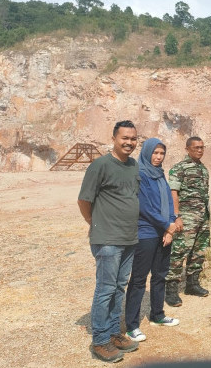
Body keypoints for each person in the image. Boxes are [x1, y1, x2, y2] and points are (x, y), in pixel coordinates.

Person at [77, 120, 141, 362]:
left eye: (133, 138)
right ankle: (100, 340)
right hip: (107, 239)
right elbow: (84, 200)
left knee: (119, 287)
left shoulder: (133, 165)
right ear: (114, 139)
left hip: (128, 237)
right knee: (105, 289)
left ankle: (114, 333)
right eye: (125, 138)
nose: (129, 142)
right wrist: (93, 223)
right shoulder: (100, 165)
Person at [125, 138, 180, 343]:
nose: (158, 157)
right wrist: (167, 225)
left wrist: (170, 225)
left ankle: (157, 315)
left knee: (160, 275)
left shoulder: (159, 174)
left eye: (161, 153)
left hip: (164, 231)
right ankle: (132, 326)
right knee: (139, 280)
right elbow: (145, 207)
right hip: (146, 233)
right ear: (147, 153)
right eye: (155, 153)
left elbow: (168, 202)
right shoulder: (140, 174)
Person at [165, 136, 211, 306]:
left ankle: (192, 284)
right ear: (187, 149)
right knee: (179, 252)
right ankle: (171, 290)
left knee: (199, 251)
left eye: (202, 147)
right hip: (186, 218)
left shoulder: (203, 169)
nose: (200, 150)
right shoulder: (179, 168)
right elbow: (173, 194)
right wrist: (176, 216)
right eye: (196, 147)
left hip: (202, 217)